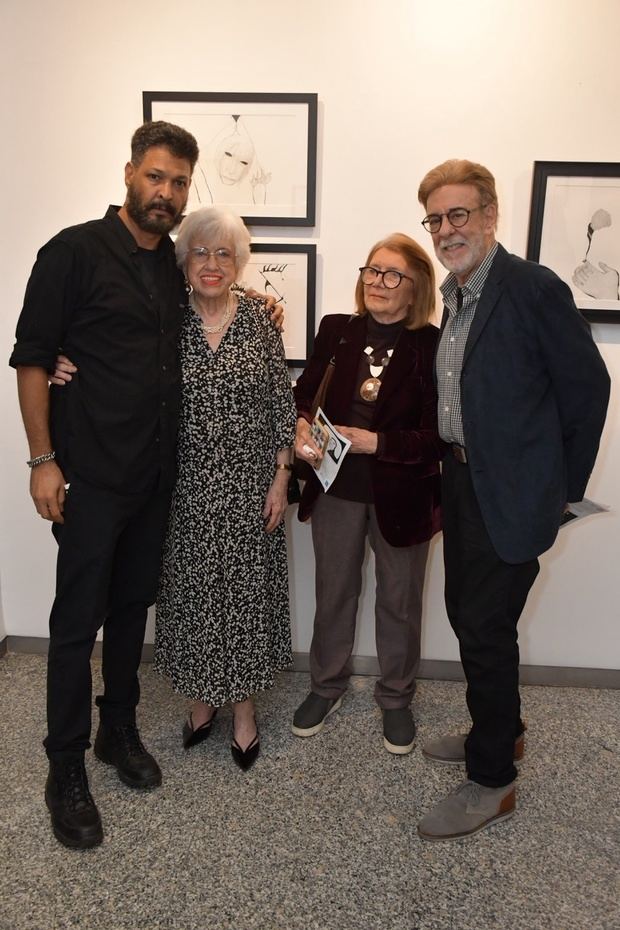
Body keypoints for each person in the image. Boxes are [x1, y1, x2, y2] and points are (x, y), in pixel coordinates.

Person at [9, 121, 281, 850]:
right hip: (90, 478)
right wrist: (43, 458)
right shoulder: (71, 252)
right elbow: (33, 358)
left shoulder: (174, 266)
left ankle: (117, 732)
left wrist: (265, 306)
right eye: (156, 177)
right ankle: (65, 764)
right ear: (131, 172)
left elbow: (218, 303)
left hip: (158, 483)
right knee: (76, 627)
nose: (166, 193)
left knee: (132, 613)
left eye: (180, 183)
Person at [415, 159, 610, 841]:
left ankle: (492, 779)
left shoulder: (531, 288)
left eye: (458, 214)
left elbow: (589, 390)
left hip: (515, 492)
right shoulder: (457, 295)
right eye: (436, 219)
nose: (446, 229)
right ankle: (503, 730)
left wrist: (562, 492)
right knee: (471, 617)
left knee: (485, 628)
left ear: (491, 215)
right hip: (463, 483)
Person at [154, 206, 296, 770]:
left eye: (224, 254)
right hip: (183, 486)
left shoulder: (261, 322)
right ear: (183, 259)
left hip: (247, 485)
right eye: (200, 252)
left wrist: (281, 478)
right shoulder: (166, 320)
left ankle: (242, 710)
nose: (212, 264)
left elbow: (278, 408)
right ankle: (199, 698)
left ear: (238, 262)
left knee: (243, 598)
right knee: (191, 596)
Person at [291, 234, 444, 755]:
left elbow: (436, 435)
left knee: (399, 601)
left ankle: (397, 698)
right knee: (334, 591)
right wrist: (301, 427)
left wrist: (379, 442)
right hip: (336, 486)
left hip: (403, 493)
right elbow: (306, 394)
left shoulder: (430, 344)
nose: (377, 282)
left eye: (392, 274)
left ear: (416, 285)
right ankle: (325, 686)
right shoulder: (336, 331)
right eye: (371, 271)